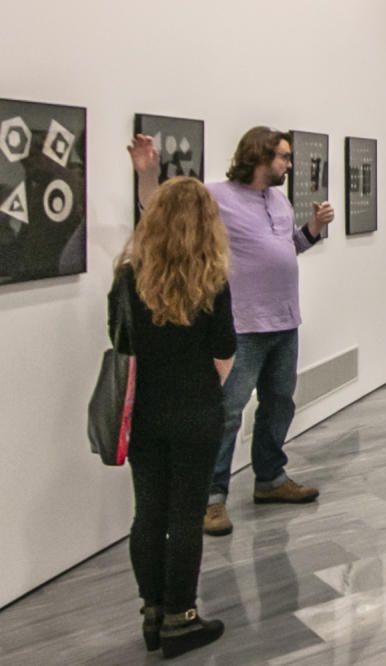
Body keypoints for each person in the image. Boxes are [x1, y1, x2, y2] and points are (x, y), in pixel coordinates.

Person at [129, 127, 336, 537]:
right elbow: (159, 208)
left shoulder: (278, 200)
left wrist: (312, 227)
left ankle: (270, 479)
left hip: (285, 321)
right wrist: (147, 173)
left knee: (280, 404)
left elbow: (286, 247)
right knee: (226, 413)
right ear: (258, 157)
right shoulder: (217, 196)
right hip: (244, 325)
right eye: (282, 157)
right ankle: (210, 498)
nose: (288, 164)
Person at [109, 177, 236, 658]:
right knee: (186, 516)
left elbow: (121, 344)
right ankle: (181, 619)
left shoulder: (127, 277)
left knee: (149, 513)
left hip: (143, 413)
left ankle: (153, 611)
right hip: (197, 409)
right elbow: (225, 347)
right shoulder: (213, 277)